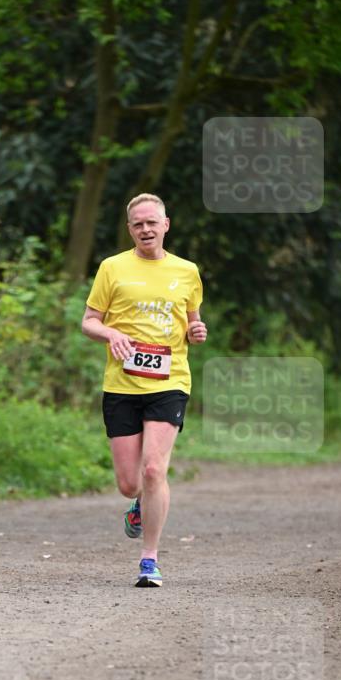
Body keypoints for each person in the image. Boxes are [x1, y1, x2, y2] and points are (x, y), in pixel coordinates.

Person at [81, 193, 207, 588]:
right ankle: (138, 505)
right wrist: (111, 332)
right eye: (138, 224)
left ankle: (149, 560)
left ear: (166, 224)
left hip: (170, 382)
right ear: (130, 229)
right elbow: (88, 321)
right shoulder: (112, 268)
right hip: (121, 385)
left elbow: (192, 320)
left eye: (152, 222)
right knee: (129, 483)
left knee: (154, 469)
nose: (146, 229)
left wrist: (196, 330)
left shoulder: (187, 271)